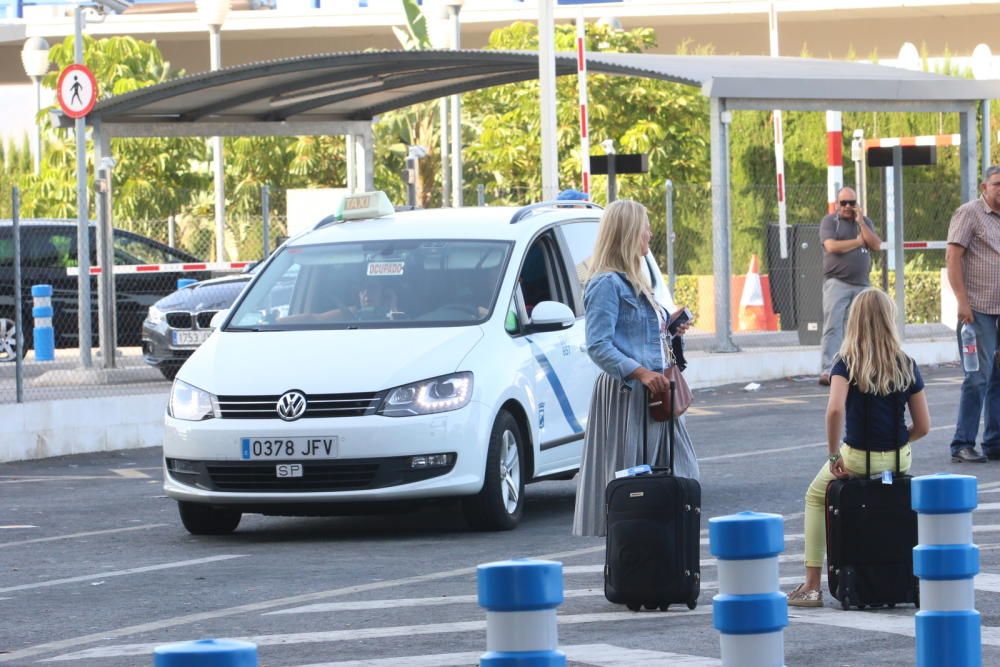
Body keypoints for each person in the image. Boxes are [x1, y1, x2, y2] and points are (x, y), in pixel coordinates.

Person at [787, 288, 930, 607]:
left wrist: (833, 453)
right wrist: (897, 442)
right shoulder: (906, 363)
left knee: (815, 496)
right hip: (898, 460)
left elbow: (835, 409)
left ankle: (811, 586)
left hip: (857, 459)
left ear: (855, 321)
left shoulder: (846, 362)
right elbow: (923, 426)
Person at [572, 199, 697, 538]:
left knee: (681, 475)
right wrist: (640, 373)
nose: (650, 233)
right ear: (628, 232)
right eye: (645, 226)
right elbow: (598, 344)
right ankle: (641, 555)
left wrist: (670, 327)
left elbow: (636, 335)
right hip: (631, 394)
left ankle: (662, 552)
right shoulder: (605, 284)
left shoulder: (636, 281)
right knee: (637, 484)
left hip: (657, 394)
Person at [945, 165, 1000, 463]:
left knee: (998, 379)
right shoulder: (969, 213)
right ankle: (962, 443)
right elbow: (953, 256)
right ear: (984, 187)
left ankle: (994, 442)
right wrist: (962, 300)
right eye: (997, 184)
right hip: (978, 311)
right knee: (977, 378)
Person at [818, 187, 882, 386]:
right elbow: (831, 246)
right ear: (837, 204)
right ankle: (829, 369)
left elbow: (876, 244)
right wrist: (856, 242)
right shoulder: (830, 222)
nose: (847, 207)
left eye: (851, 203)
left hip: (862, 284)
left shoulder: (864, 222)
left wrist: (861, 222)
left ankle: (861, 368)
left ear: (857, 204)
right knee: (834, 326)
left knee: (863, 328)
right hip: (837, 282)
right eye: (843, 203)